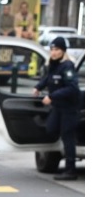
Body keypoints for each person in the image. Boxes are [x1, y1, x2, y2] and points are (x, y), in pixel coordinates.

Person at [33, 37, 81, 181]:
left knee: (68, 138)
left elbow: (72, 88)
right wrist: (38, 87)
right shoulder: (54, 65)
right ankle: (59, 156)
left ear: (63, 51)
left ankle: (70, 170)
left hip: (69, 108)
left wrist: (52, 96)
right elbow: (48, 78)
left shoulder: (67, 66)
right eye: (52, 50)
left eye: (57, 50)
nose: (53, 53)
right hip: (58, 107)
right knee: (51, 128)